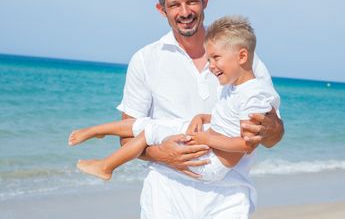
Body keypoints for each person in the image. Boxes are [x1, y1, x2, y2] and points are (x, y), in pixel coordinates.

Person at [90, 0, 284, 218]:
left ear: (205, 1)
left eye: (192, 1)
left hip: (229, 196)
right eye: (174, 5)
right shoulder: (145, 59)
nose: (185, 12)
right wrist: (163, 155)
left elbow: (274, 135)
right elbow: (128, 135)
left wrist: (270, 129)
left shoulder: (244, 59)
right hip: (165, 194)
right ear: (162, 10)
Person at [68, 16, 280, 199]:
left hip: (210, 165)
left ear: (242, 56)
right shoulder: (234, 86)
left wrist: (207, 138)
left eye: (215, 58)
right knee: (150, 125)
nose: (211, 65)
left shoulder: (254, 95)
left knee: (148, 132)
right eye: (209, 59)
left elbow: (246, 144)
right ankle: (98, 131)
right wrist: (204, 117)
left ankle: (106, 166)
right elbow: (229, 117)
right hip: (209, 143)